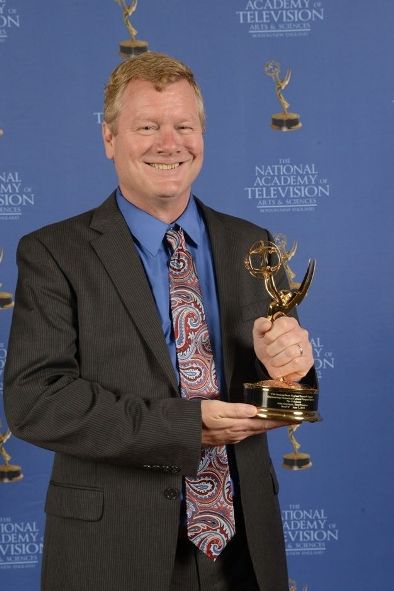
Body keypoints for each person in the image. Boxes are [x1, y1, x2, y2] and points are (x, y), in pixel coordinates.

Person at [4, 52, 316, 591]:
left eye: (183, 126)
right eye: (147, 126)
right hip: (112, 551)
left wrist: (296, 370)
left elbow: (286, 396)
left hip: (243, 554)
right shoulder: (55, 252)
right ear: (109, 139)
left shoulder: (253, 244)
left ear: (202, 136)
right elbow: (36, 401)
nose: (168, 144)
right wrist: (185, 426)